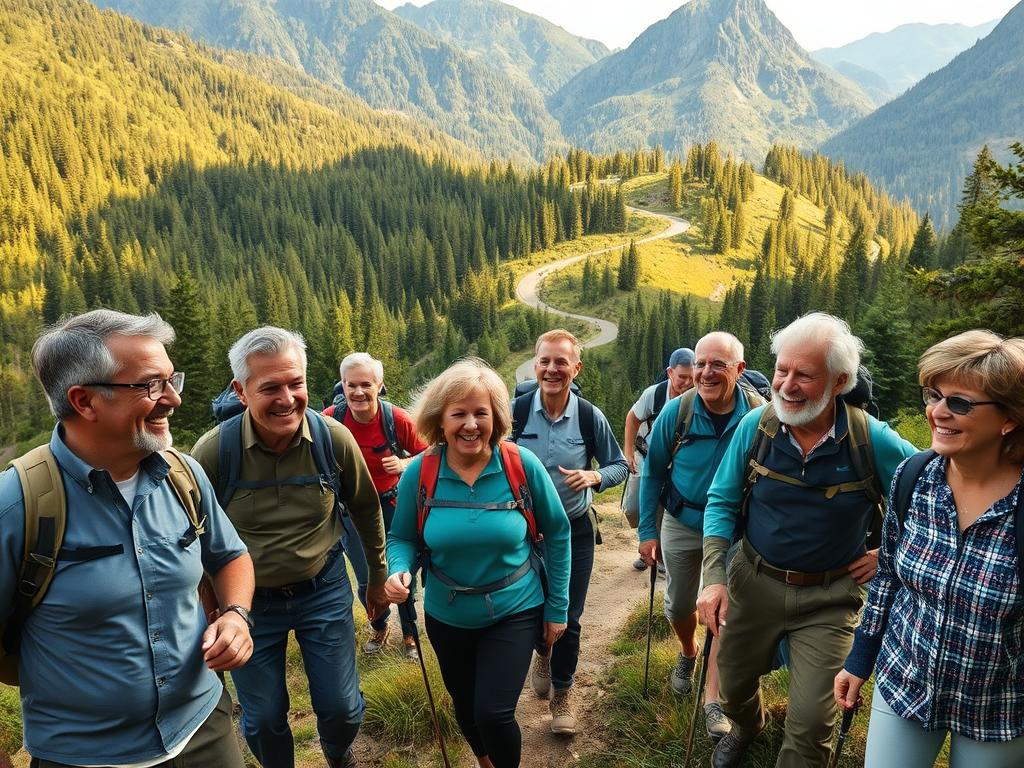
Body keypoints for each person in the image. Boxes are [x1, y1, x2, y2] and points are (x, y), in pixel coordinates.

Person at [0, 309, 254, 767]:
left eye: (172, 378)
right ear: (84, 401)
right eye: (150, 385)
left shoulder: (184, 475)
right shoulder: (17, 505)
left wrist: (235, 615)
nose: (173, 398)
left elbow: (230, 554)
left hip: (204, 730)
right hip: (84, 756)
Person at [696, 312, 917, 768]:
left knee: (813, 723)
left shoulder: (868, 438)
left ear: (839, 381)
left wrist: (888, 555)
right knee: (733, 689)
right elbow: (720, 501)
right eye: (782, 370)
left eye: (804, 375)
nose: (787, 385)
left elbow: (933, 496)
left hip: (831, 597)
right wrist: (715, 577)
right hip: (752, 583)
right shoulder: (757, 427)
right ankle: (748, 726)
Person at [191, 327, 387, 768]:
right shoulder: (214, 454)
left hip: (324, 588)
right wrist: (211, 605)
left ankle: (339, 754)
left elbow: (365, 509)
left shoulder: (333, 440)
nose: (287, 398)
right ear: (241, 391)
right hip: (248, 603)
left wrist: (375, 580)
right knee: (262, 719)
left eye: (295, 383)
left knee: (341, 707)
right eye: (270, 388)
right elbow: (196, 537)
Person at [835, 330, 1024, 767]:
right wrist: (860, 659)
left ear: (1010, 418)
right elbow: (888, 580)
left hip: (997, 706)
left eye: (959, 403)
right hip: (905, 679)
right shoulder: (914, 477)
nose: (937, 412)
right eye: (934, 395)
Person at [384, 358, 570, 768]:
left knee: (493, 712)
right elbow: (402, 536)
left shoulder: (521, 465)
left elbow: (557, 533)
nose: (470, 424)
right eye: (459, 414)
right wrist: (398, 570)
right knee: (465, 706)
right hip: (447, 614)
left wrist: (557, 609)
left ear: (497, 417)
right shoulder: (421, 472)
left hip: (515, 608)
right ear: (440, 420)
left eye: (480, 413)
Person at [637, 333, 763, 740]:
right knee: (677, 607)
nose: (705, 373)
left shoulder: (759, 417)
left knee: (719, 611)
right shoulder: (678, 413)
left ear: (739, 370)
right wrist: (646, 530)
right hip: (681, 521)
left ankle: (713, 702)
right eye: (701, 364)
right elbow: (652, 472)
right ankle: (687, 652)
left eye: (718, 365)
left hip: (732, 532)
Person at [513, 329, 628, 734]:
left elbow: (620, 464)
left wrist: (595, 475)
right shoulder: (516, 412)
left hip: (575, 530)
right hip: (522, 534)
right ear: (536, 363)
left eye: (562, 362)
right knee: (529, 613)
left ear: (576, 368)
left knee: (570, 616)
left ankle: (562, 692)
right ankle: (542, 653)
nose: (552, 369)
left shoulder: (588, 415)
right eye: (545, 361)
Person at [323, 352, 428, 659]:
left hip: (392, 506)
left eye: (366, 384)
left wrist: (406, 463)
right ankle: (379, 625)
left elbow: (432, 451)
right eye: (351, 384)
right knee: (366, 578)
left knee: (400, 572)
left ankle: (410, 634)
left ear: (379, 385)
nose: (358, 392)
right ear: (342, 385)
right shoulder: (330, 419)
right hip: (352, 511)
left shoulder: (395, 419)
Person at [624, 347, 695, 571]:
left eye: (692, 378)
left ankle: (656, 558)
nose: (687, 383)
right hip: (645, 457)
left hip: (675, 464)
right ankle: (645, 542)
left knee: (664, 509)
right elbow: (632, 418)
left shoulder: (696, 399)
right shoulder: (654, 394)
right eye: (682, 377)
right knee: (634, 508)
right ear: (670, 372)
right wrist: (628, 451)